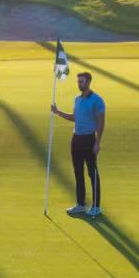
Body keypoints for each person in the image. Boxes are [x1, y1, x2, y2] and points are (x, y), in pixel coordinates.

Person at [51, 69, 107, 218]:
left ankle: (96, 207)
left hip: (89, 139)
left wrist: (98, 143)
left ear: (89, 82)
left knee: (92, 173)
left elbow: (101, 123)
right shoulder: (77, 99)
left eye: (81, 81)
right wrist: (57, 112)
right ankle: (80, 205)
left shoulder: (97, 100)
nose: (79, 84)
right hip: (76, 139)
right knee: (78, 173)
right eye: (78, 81)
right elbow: (74, 117)